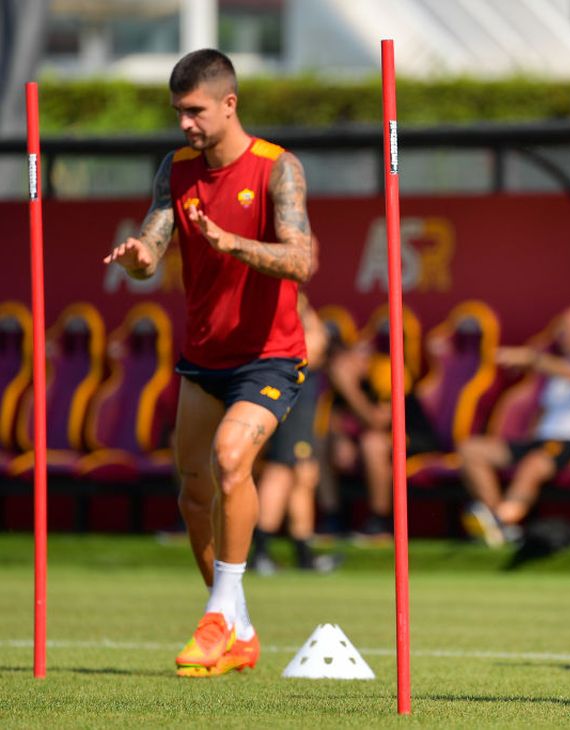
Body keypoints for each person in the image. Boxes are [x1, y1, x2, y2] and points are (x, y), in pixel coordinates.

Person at [103, 49, 313, 677]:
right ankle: (238, 626)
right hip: (203, 356)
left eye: (194, 111)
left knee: (229, 460)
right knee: (195, 493)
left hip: (269, 357)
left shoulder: (278, 169)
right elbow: (154, 241)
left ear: (229, 103)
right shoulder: (177, 168)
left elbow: (301, 259)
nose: (185, 124)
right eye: (178, 113)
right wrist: (138, 257)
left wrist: (234, 244)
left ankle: (219, 617)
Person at [456, 306, 570, 547]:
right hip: (542, 442)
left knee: (533, 464)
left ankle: (503, 519)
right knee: (471, 450)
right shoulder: (562, 365)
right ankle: (499, 523)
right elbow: (544, 410)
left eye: (567, 330)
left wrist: (534, 359)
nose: (562, 336)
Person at [250, 293, 340, 573]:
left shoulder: (294, 296)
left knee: (304, 473)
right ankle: (261, 551)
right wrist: (315, 328)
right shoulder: (286, 295)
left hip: (296, 394)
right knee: (281, 470)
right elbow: (310, 352)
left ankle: (303, 552)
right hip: (289, 393)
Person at [326, 324, 441, 540]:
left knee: (373, 443)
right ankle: (334, 517)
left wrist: (349, 388)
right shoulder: (341, 382)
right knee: (322, 444)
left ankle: (380, 521)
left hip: (414, 438)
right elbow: (335, 421)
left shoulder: (387, 370)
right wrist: (340, 439)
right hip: (373, 440)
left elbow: (379, 422)